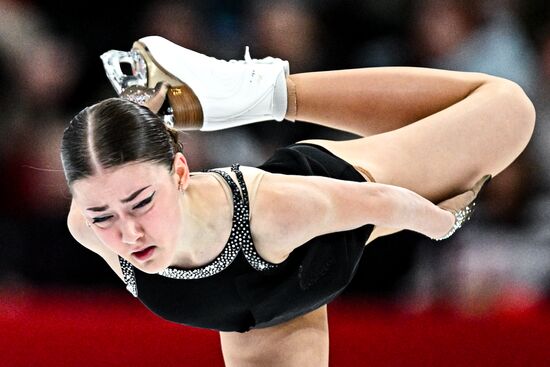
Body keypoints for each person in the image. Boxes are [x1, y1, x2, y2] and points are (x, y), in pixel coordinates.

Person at [61, 36, 535, 366]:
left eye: (141, 203)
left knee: (509, 111)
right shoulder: (86, 229)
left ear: (181, 173)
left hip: (336, 207)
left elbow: (384, 203)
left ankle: (264, 92)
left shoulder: (276, 209)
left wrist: (441, 222)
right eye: (103, 214)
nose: (128, 233)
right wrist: (138, 113)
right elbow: (104, 172)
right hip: (267, 316)